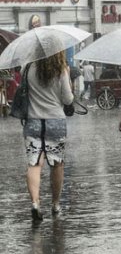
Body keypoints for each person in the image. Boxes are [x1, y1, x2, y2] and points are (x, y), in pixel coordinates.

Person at [23, 40, 74, 221]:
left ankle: (35, 203)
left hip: (33, 122)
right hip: (55, 122)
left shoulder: (28, 68)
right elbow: (68, 100)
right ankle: (55, 204)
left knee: (34, 164)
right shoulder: (61, 70)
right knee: (57, 164)